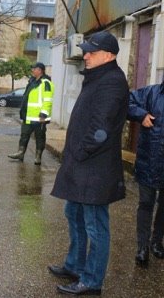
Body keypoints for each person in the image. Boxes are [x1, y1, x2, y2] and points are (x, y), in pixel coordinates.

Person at [48, 31, 129, 295]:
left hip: (95, 167)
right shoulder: (98, 78)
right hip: (82, 164)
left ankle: (92, 281)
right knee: (74, 214)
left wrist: (80, 152)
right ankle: (75, 265)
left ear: (109, 55)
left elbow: (100, 127)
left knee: (96, 225)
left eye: (91, 52)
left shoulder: (112, 82)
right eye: (86, 51)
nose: (85, 55)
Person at [127, 79, 164, 267]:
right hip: (149, 159)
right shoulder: (150, 93)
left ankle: (157, 241)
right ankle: (142, 247)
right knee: (146, 204)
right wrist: (141, 115)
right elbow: (126, 101)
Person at [8, 62, 54, 165]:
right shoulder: (32, 81)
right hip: (28, 116)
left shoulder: (46, 83)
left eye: (34, 68)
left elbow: (48, 100)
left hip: (39, 118)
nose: (32, 70)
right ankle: (20, 153)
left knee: (40, 137)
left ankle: (38, 157)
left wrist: (43, 114)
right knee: (24, 135)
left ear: (40, 70)